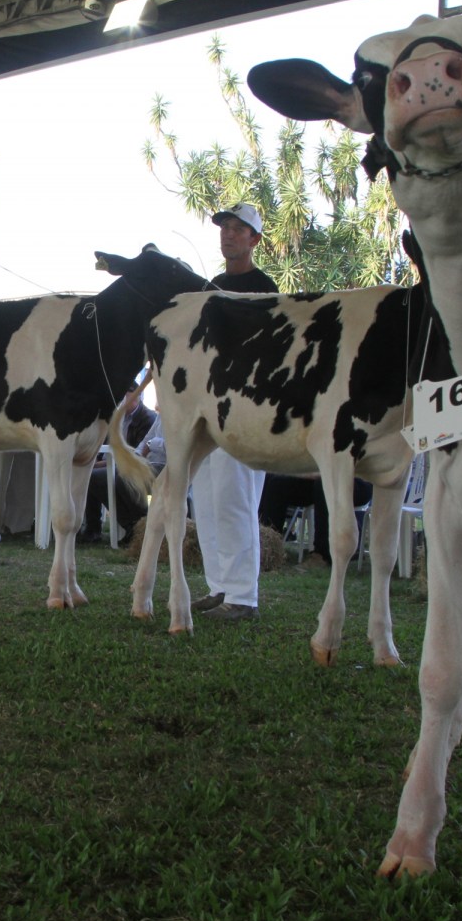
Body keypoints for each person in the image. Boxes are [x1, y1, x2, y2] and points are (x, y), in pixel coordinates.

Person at [189, 203, 274, 622]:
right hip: (208, 403)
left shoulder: (266, 288)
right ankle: (219, 587)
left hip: (245, 406)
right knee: (204, 495)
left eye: (239, 229)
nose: (229, 235)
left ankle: (243, 596)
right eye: (225, 227)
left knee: (234, 497)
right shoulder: (210, 287)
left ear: (255, 239)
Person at [78, 382, 159, 545]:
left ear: (136, 395)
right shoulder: (114, 418)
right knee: (90, 475)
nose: (120, 401)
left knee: (102, 476)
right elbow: (107, 448)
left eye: (123, 396)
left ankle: (134, 524)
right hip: (118, 463)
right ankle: (94, 529)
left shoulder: (148, 418)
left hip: (139, 465)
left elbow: (140, 453)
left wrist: (99, 464)